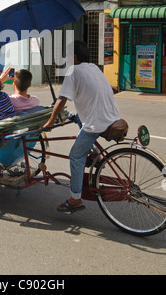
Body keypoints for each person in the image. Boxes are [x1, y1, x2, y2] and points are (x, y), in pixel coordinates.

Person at [43, 41, 121, 214]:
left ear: (75, 57)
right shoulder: (94, 68)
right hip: (112, 117)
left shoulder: (74, 71)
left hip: (97, 123)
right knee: (78, 116)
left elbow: (62, 98)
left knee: (75, 156)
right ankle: (95, 153)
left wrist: (50, 121)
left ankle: (75, 199)